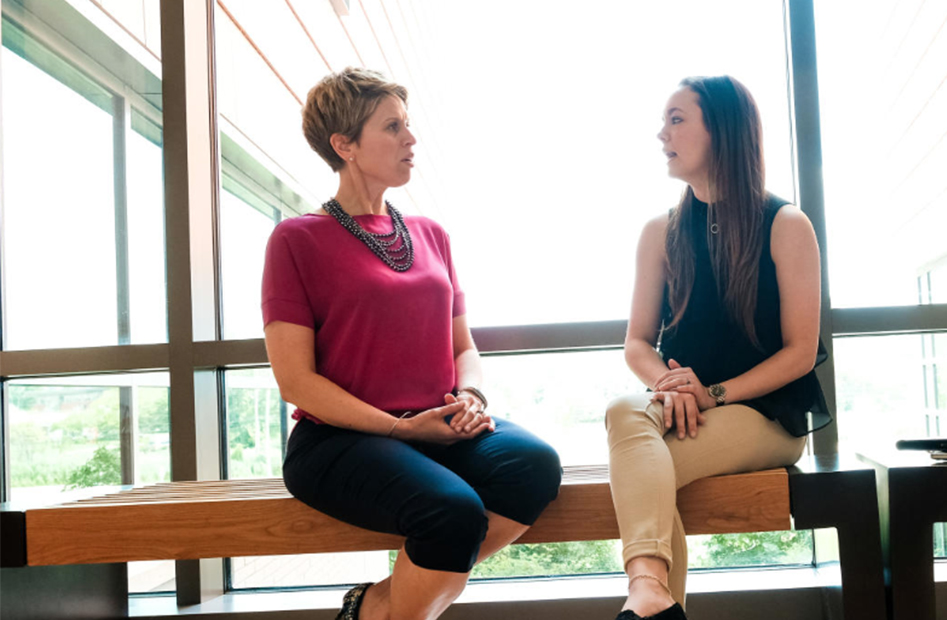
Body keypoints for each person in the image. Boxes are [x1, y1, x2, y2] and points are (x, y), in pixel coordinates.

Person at [263, 67, 562, 620]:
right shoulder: (296, 239)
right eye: (393, 126)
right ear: (344, 145)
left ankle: (375, 607)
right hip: (339, 441)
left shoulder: (431, 234)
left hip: (439, 426)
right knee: (452, 512)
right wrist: (401, 428)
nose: (411, 138)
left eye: (408, 124)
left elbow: (463, 349)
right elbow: (295, 381)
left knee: (535, 465)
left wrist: (470, 398)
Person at [606, 75, 833, 620]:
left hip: (765, 417)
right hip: (681, 405)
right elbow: (637, 342)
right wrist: (671, 385)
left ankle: (645, 590)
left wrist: (712, 392)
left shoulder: (786, 225)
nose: (662, 133)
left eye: (677, 119)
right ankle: (651, 596)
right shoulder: (659, 233)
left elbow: (800, 352)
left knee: (647, 470)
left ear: (723, 131)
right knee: (625, 414)